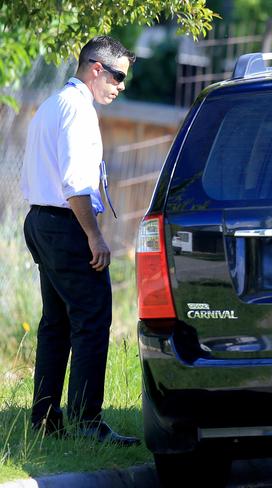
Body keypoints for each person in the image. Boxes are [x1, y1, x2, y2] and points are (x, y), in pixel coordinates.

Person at [21, 35, 139, 446]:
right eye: (117, 76)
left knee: (56, 324)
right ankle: (87, 424)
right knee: (91, 321)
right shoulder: (78, 111)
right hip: (66, 225)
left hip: (40, 221)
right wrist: (95, 236)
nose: (120, 86)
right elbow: (75, 184)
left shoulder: (53, 105)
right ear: (95, 68)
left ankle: (46, 419)